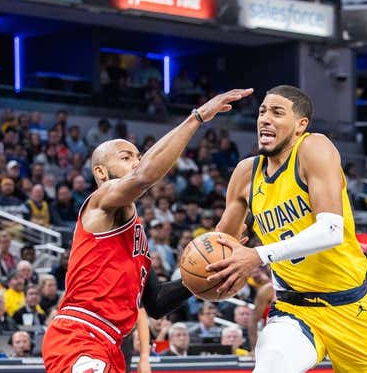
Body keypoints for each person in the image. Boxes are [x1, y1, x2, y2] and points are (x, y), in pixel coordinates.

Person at [42, 89, 252, 373]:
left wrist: (207, 272)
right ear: (101, 173)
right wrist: (198, 117)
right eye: (126, 157)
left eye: (139, 156)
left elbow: (155, 302)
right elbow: (145, 177)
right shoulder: (100, 203)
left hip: (113, 343)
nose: (137, 162)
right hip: (81, 334)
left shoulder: (135, 236)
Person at [208, 85, 367, 372]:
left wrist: (256, 255)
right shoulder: (246, 173)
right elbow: (220, 247)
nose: (265, 119)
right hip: (294, 309)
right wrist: (211, 271)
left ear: (300, 125)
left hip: (350, 306)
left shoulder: (313, 147)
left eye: (277, 112)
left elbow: (330, 230)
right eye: (262, 112)